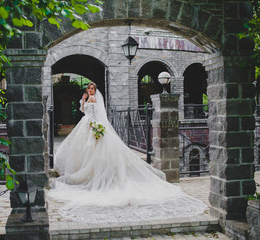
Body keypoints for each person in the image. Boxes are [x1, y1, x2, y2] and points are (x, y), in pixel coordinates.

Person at [48, 82, 207, 223]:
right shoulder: (88, 98)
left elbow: (96, 116)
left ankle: (94, 176)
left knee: (93, 152)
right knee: (85, 152)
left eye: (91, 88)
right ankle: (89, 174)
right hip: (86, 125)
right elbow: (84, 111)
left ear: (94, 90)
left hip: (92, 127)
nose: (90, 90)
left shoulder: (95, 99)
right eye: (88, 88)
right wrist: (82, 101)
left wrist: (96, 128)